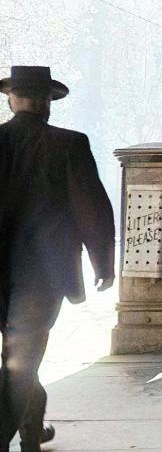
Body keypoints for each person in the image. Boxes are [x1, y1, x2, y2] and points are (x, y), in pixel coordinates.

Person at [0, 66, 116, 452]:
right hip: (42, 274)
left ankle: (32, 433)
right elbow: (91, 208)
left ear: (11, 100)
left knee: (17, 359)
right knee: (22, 359)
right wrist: (103, 262)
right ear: (47, 102)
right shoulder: (70, 144)